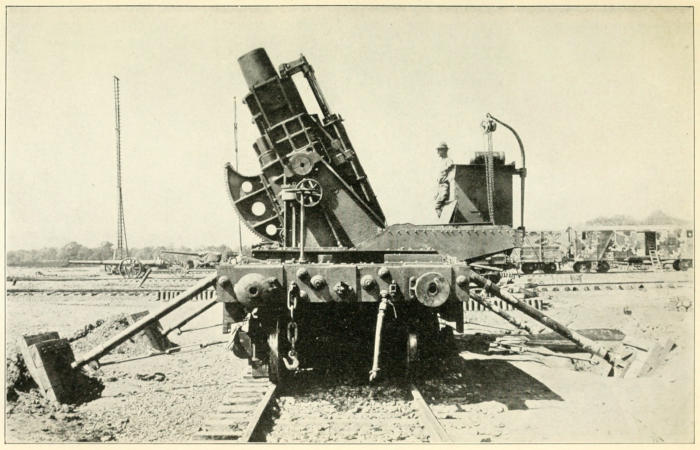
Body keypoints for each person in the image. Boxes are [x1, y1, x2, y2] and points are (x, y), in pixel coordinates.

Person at [434, 142, 454, 217]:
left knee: (438, 205)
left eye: (440, 150)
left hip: (445, 185)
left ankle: (442, 218)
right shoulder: (441, 162)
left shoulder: (448, 160)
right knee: (440, 205)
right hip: (440, 186)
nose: (438, 152)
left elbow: (450, 168)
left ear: (445, 150)